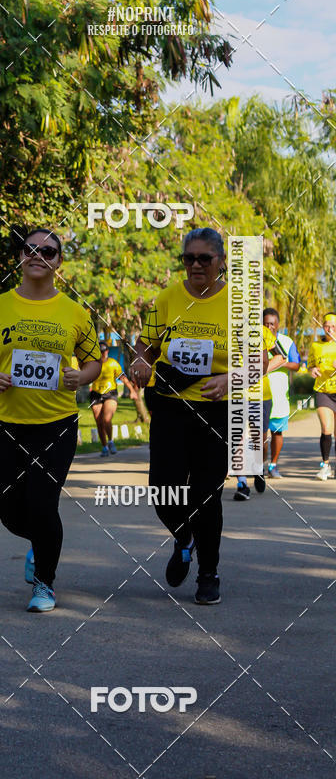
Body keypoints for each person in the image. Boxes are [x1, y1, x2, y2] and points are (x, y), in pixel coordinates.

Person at [130, 227, 270, 606]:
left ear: (221, 262)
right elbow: (148, 343)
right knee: (163, 490)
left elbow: (260, 360)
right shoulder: (168, 297)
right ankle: (184, 538)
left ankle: (209, 574)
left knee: (206, 496)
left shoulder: (238, 303)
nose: (195, 265)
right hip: (172, 406)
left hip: (218, 410)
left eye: (203, 259)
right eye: (188, 258)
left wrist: (230, 379)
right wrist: (141, 360)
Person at [0, 228, 101, 612]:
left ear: (59, 262)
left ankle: (45, 583)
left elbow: (93, 360)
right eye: (31, 249)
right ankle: (42, 542)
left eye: (49, 251)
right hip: (7, 422)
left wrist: (83, 376)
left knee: (43, 505)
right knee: (8, 509)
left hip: (56, 423)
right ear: (20, 256)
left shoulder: (75, 313)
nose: (38, 255)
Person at [233, 320, 283, 500]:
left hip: (260, 395)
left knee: (258, 439)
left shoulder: (262, 332)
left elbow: (281, 356)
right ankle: (242, 483)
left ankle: (259, 467)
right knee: (236, 437)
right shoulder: (224, 328)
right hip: (234, 392)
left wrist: (261, 370)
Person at [263, 308, 301, 478]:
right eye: (266, 323)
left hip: (279, 396)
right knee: (260, 433)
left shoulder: (286, 341)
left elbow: (296, 364)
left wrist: (280, 361)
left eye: (272, 323)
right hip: (259, 394)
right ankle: (259, 466)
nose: (269, 326)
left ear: (278, 324)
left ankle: (273, 465)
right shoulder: (257, 339)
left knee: (277, 432)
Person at [90, 341, 138, 456]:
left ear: (107, 351)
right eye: (100, 351)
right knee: (99, 422)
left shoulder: (113, 363)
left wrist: (132, 391)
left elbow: (123, 378)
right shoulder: (93, 364)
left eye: (104, 351)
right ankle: (104, 447)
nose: (103, 353)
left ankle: (111, 441)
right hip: (96, 393)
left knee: (106, 419)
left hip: (110, 393)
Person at [307, 312, 336, 480]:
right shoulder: (316, 345)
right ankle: (325, 465)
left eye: (333, 326)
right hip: (323, 391)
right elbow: (310, 365)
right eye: (327, 326)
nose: (330, 329)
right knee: (326, 428)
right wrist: (313, 370)